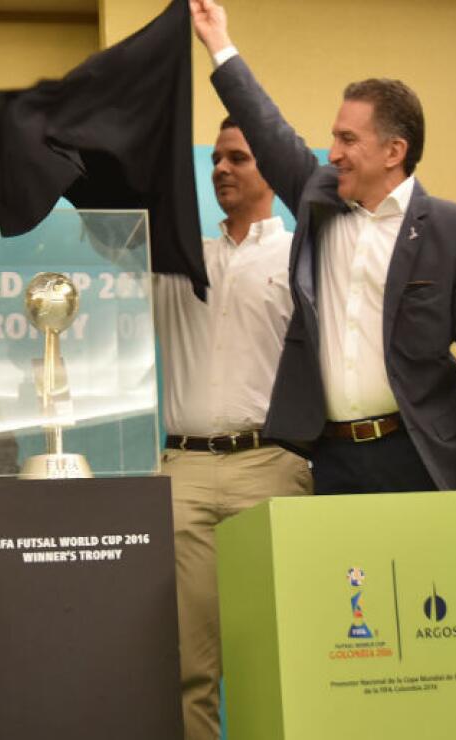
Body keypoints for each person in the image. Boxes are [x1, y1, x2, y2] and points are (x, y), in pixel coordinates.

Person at [189, 0, 456, 535]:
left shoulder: (455, 231)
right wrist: (218, 43)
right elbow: (267, 127)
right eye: (334, 137)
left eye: (348, 139)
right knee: (351, 615)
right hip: (334, 464)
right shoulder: (318, 197)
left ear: (394, 150)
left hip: (420, 459)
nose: (335, 153)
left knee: (430, 613)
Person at [153, 117, 311, 740]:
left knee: (275, 659)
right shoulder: (181, 259)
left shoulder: (302, 252)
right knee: (189, 666)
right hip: (183, 475)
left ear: (269, 169)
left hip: (269, 466)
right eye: (216, 158)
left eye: (238, 158)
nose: (220, 168)